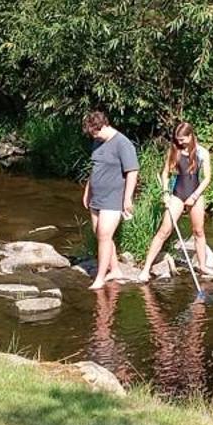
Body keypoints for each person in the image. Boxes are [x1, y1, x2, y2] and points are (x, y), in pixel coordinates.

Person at [139, 120, 213, 280]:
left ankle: (203, 267)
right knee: (164, 231)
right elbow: (165, 174)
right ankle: (145, 269)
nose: (179, 142)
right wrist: (165, 192)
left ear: (190, 136)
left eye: (182, 139)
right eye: (177, 139)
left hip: (196, 195)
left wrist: (194, 196)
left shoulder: (202, 153)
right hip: (177, 194)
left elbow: (207, 178)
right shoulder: (174, 151)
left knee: (198, 231)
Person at [80, 108, 138, 290]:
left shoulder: (123, 143)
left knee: (105, 235)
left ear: (103, 126)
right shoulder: (98, 142)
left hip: (114, 198)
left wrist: (127, 198)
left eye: (94, 132)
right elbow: (95, 168)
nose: (93, 136)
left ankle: (100, 277)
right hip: (96, 197)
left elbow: (132, 172)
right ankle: (115, 270)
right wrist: (87, 191)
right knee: (100, 234)